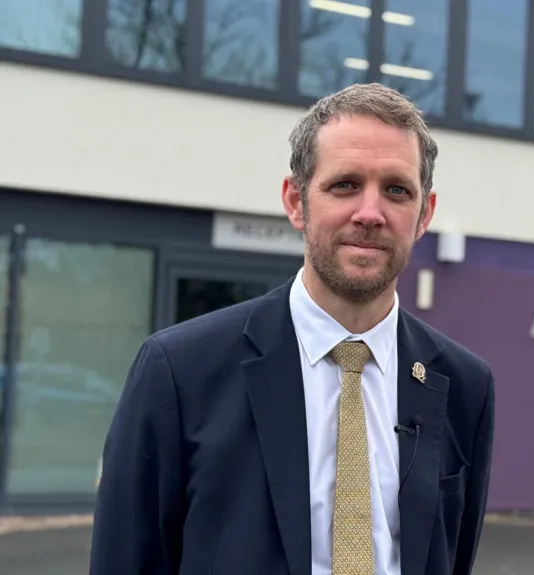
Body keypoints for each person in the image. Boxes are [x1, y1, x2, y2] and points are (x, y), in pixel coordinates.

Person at [90, 83, 496, 575]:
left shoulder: (463, 387)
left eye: (396, 190)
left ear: (424, 213)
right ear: (295, 201)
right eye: (345, 184)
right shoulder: (179, 372)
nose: (370, 213)